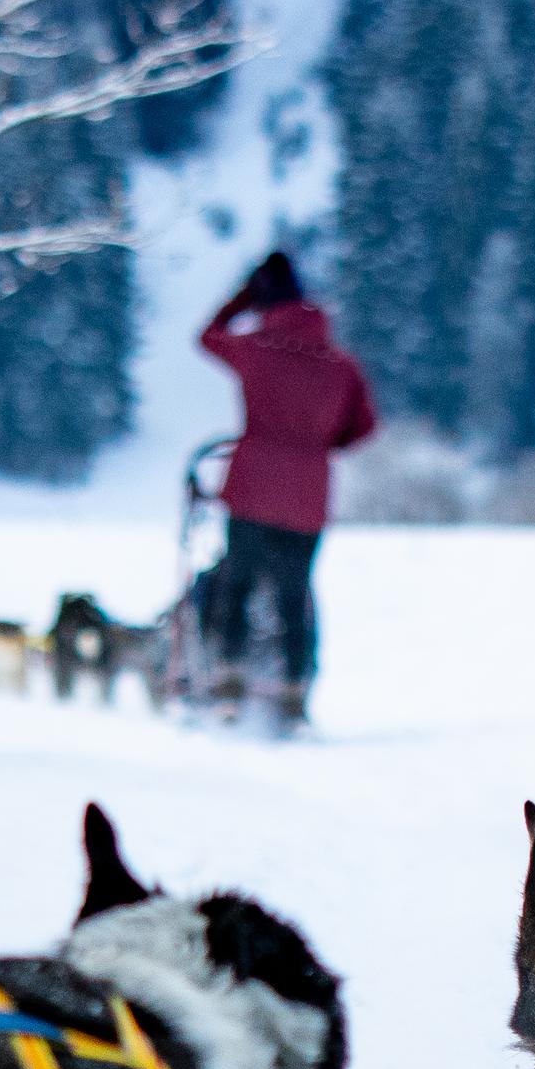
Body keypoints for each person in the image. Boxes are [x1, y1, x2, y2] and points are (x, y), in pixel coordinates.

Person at [194, 250, 376, 727]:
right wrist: (319, 443)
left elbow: (208, 338)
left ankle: (228, 677)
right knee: (294, 591)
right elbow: (363, 428)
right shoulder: (341, 366)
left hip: (253, 488)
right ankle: (295, 688)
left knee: (237, 579)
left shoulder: (256, 347)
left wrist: (239, 302)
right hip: (308, 498)